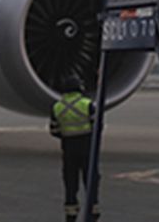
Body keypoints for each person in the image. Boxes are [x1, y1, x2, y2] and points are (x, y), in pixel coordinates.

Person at [51, 75, 97, 222]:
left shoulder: (57, 107)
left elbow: (54, 130)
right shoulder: (88, 104)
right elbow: (97, 127)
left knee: (71, 182)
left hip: (69, 149)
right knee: (90, 180)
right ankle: (93, 211)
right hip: (87, 147)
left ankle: (71, 214)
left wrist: (66, 136)